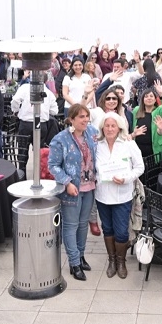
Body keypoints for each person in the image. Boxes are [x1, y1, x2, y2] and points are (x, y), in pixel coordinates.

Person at [47, 104, 98, 281]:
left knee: (83, 225)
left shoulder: (92, 133)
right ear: (72, 119)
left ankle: (81, 256)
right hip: (71, 190)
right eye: (81, 117)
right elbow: (52, 165)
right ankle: (74, 263)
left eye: (87, 116)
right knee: (71, 225)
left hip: (89, 187)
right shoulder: (60, 139)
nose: (85, 120)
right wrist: (67, 182)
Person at [94, 112, 145, 279]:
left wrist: (126, 178)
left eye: (113, 126)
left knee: (122, 232)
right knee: (107, 228)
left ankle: (121, 262)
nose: (109, 129)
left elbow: (140, 167)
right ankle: (111, 261)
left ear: (119, 127)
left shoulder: (128, 144)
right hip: (102, 195)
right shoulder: (97, 145)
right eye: (107, 126)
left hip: (122, 195)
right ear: (102, 127)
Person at [11, 78, 59, 175]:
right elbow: (54, 111)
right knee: (39, 152)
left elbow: (15, 100)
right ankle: (38, 176)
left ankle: (22, 175)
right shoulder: (48, 93)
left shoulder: (25, 88)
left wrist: (15, 110)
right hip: (41, 124)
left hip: (26, 124)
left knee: (22, 151)